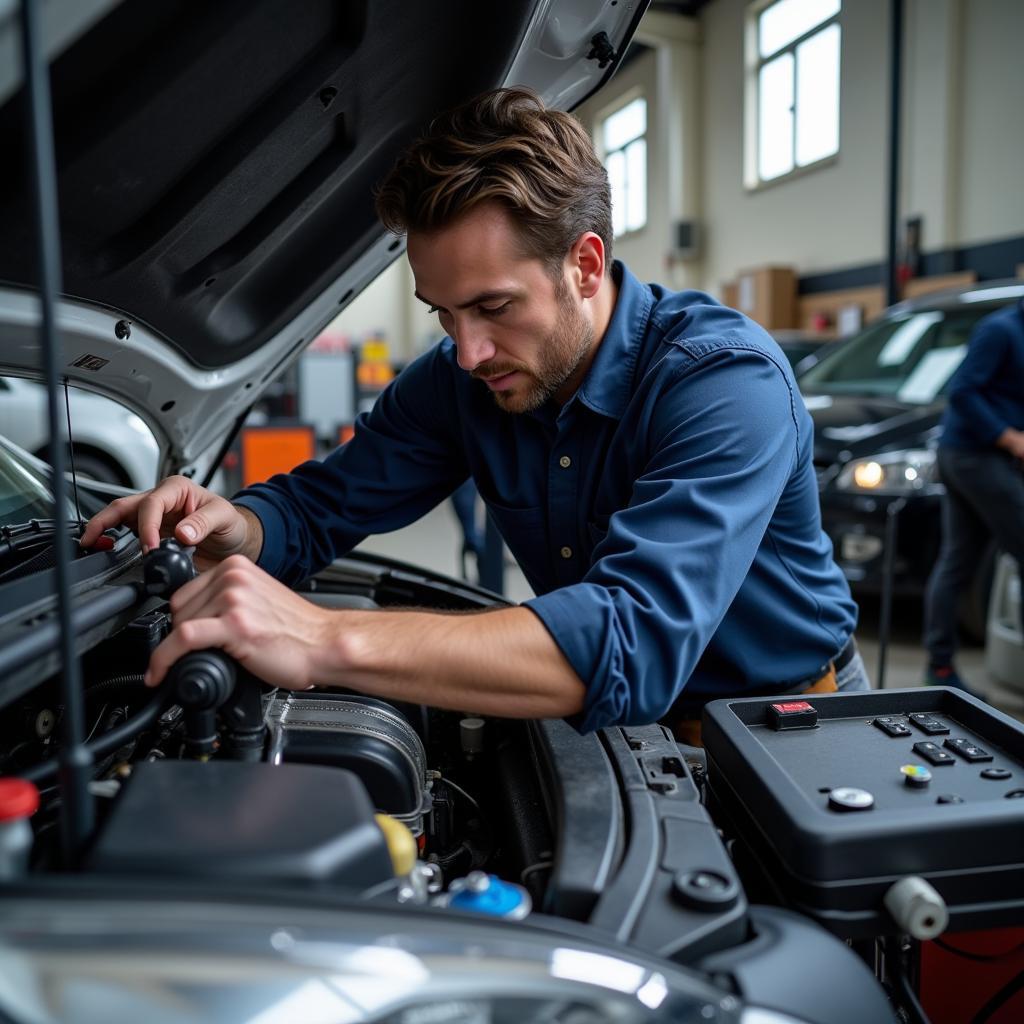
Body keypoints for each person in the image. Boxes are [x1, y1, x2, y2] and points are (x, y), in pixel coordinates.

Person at [80, 87, 865, 738]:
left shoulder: (723, 383)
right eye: (444, 314)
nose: (468, 352)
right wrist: (234, 527)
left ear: (584, 265)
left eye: (493, 306)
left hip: (794, 728)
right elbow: (319, 506)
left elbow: (631, 639)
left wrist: (320, 636)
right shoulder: (461, 384)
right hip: (626, 732)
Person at [923, 298, 1024, 691]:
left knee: (958, 559)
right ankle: (941, 666)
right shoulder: (1001, 329)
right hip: (972, 456)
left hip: (979, 458)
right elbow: (962, 391)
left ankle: (940, 668)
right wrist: (1010, 438)